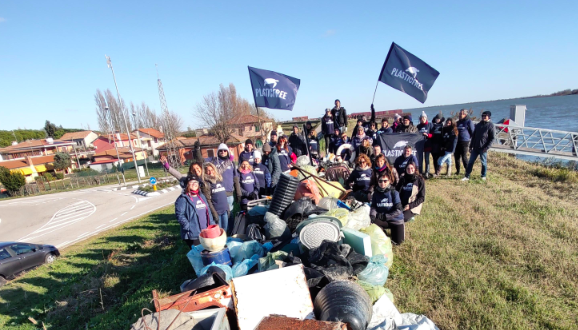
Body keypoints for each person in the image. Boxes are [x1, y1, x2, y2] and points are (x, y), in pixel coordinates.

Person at [161, 156, 219, 221]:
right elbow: (178, 175)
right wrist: (167, 167)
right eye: (193, 169)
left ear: (201, 168)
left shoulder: (207, 178)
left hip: (213, 205)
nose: (196, 170)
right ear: (191, 171)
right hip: (198, 207)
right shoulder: (189, 181)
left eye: (197, 168)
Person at [175, 176, 216, 248]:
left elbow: (208, 210)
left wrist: (212, 224)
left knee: (208, 252)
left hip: (206, 230)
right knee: (198, 255)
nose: (194, 184)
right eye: (191, 182)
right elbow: (179, 215)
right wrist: (188, 226)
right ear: (187, 184)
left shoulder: (201, 196)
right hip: (193, 234)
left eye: (196, 182)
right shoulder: (183, 198)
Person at [370, 172, 405, 244]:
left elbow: (398, 210)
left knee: (398, 242)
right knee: (378, 238)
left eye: (385, 181)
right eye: (380, 181)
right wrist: (372, 216)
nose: (383, 183)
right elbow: (373, 207)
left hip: (395, 220)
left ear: (389, 181)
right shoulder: (375, 193)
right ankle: (383, 232)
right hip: (382, 220)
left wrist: (385, 216)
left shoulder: (394, 193)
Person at [462, 111, 496, 181]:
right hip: (475, 147)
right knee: (470, 162)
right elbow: (473, 136)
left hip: (483, 148)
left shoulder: (491, 125)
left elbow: (492, 138)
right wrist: (470, 146)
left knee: (483, 162)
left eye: (485, 116)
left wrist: (487, 147)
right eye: (483, 116)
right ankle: (467, 176)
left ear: (488, 117)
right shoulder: (478, 125)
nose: (483, 117)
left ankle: (483, 176)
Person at [210, 143, 240, 213]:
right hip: (218, 192)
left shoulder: (232, 163)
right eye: (220, 150)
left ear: (227, 152)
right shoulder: (214, 162)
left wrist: (238, 193)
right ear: (218, 152)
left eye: (224, 150)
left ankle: (230, 224)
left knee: (230, 212)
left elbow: (235, 178)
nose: (223, 152)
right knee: (221, 213)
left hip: (229, 192)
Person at [203, 162, 230, 233]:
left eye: (212, 170)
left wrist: (227, 209)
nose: (210, 172)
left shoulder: (219, 180)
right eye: (208, 170)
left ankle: (224, 243)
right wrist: (214, 213)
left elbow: (224, 196)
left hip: (224, 210)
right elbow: (208, 200)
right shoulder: (207, 184)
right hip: (217, 212)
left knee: (225, 230)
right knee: (218, 232)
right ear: (205, 172)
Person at [455, 109, 475, 176]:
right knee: (456, 157)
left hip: (465, 141)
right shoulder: (458, 122)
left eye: (462, 114)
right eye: (460, 114)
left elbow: (472, 131)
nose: (460, 115)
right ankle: (457, 171)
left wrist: (471, 140)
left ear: (465, 114)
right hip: (457, 141)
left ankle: (467, 171)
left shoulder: (468, 121)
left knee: (464, 157)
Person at [416, 112, 433, 176]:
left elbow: (433, 134)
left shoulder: (429, 125)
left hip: (427, 144)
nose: (422, 119)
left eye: (424, 117)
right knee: (420, 159)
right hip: (420, 145)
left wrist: (428, 135)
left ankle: (427, 172)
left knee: (427, 159)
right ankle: (420, 171)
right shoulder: (418, 126)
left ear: (426, 118)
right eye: (421, 118)